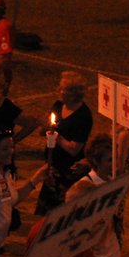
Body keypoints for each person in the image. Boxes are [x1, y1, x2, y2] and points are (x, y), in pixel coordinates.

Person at [37, 70, 94, 211]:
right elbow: (43, 130)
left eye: (63, 89)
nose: (59, 91)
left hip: (68, 171)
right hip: (53, 166)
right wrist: (44, 127)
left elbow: (74, 150)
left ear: (74, 93)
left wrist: (57, 136)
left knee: (62, 210)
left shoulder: (83, 116)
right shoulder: (58, 106)